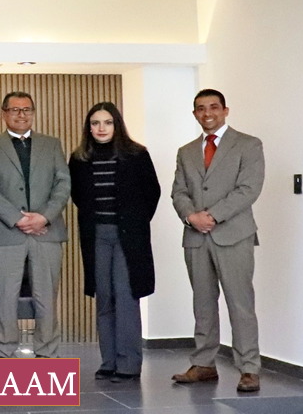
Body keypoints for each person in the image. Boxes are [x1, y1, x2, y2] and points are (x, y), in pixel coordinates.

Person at [170, 89, 265, 392]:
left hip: (233, 235)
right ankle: (204, 364)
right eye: (200, 108)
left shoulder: (248, 145)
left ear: (226, 110)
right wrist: (190, 216)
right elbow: (179, 191)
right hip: (196, 238)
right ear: (194, 113)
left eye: (213, 107)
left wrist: (212, 215)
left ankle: (249, 368)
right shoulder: (186, 151)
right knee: (203, 303)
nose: (207, 113)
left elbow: (249, 188)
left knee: (240, 303)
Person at [68, 102, 160, 381]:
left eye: (107, 122)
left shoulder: (136, 154)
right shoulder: (79, 158)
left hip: (128, 237)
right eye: (95, 123)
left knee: (126, 295)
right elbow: (78, 197)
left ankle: (129, 363)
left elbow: (151, 193)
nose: (101, 128)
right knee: (104, 296)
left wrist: (135, 223)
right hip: (96, 235)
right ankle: (108, 360)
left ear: (116, 124)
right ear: (89, 127)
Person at [0, 91, 70, 359]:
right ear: (4, 113)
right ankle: (4, 353)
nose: (21, 115)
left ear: (33, 112)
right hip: (5, 233)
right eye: (15, 110)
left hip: (47, 232)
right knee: (5, 299)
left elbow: (63, 183)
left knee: (47, 300)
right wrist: (18, 219)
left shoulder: (51, 144)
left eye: (27, 109)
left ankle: (47, 353)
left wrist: (44, 216)